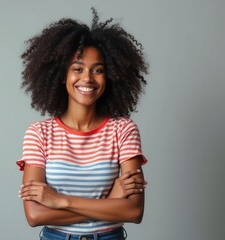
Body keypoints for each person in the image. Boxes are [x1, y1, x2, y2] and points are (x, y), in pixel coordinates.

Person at [17, 8, 149, 240]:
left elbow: (134, 211)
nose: (87, 78)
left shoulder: (123, 130)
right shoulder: (39, 133)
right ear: (62, 75)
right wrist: (109, 203)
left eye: (97, 70)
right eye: (77, 69)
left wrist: (60, 201)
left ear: (110, 76)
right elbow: (35, 215)